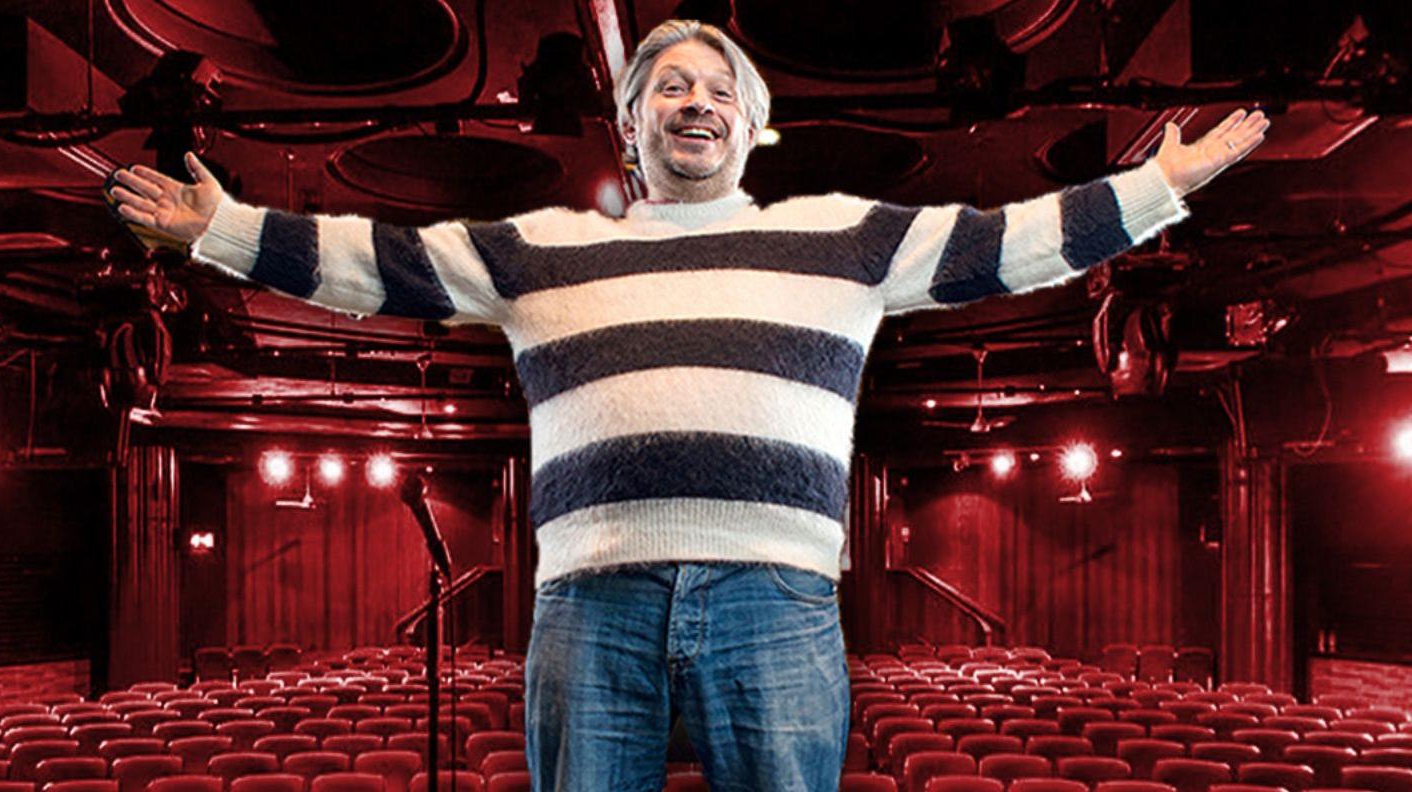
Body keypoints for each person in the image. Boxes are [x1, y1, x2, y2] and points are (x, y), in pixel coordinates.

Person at [109, 18, 1269, 791]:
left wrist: (1159, 187)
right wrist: (220, 228)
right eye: (669, 85)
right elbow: (383, 261)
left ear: (750, 124)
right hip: (588, 610)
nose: (694, 101)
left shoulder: (839, 236)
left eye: (720, 89)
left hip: (777, 604)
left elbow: (1005, 245)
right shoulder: (541, 245)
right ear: (632, 124)